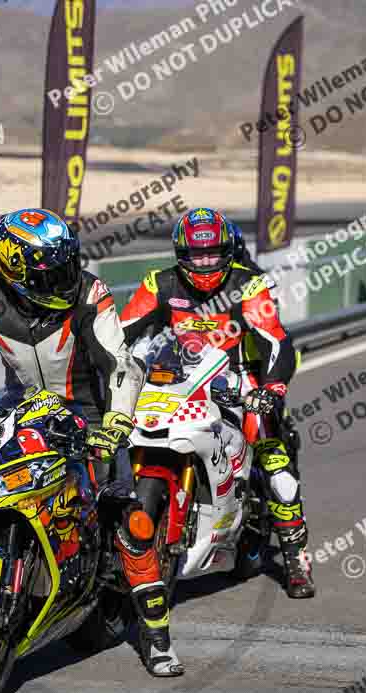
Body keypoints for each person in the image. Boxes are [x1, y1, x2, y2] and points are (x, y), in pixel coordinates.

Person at [0, 208, 184, 677]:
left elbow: (120, 365)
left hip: (92, 414)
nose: (66, 278)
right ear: (14, 271)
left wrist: (115, 425)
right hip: (21, 408)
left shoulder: (89, 294)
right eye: (53, 271)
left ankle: (157, 637)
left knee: (130, 521)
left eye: (67, 265)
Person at [120, 207, 315, 599]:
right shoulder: (159, 283)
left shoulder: (250, 283)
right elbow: (120, 332)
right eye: (196, 255)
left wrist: (271, 387)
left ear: (228, 252)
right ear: (181, 254)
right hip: (177, 379)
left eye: (212, 254)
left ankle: (296, 558)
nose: (205, 263)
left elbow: (274, 338)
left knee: (276, 466)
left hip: (241, 380)